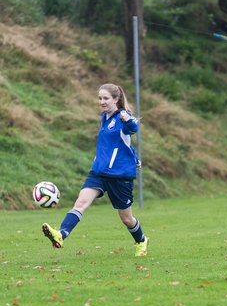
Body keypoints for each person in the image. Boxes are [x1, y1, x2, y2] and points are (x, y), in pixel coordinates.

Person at [42, 83, 148, 257]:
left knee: (127, 219)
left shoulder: (123, 116)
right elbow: (121, 143)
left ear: (116, 99)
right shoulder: (104, 118)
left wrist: (130, 122)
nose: (102, 102)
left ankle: (141, 240)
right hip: (98, 172)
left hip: (119, 176)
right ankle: (61, 234)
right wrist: (135, 158)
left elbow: (133, 128)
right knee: (81, 202)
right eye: (100, 98)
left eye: (105, 98)